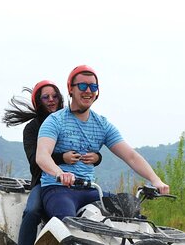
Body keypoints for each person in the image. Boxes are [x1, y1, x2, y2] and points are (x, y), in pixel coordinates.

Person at [0, 80, 102, 245]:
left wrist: (98, 157)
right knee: (32, 211)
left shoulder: (70, 120)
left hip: (79, 184)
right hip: (45, 182)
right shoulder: (33, 128)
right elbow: (35, 160)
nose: (51, 100)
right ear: (38, 101)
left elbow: (85, 146)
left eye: (54, 96)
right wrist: (61, 158)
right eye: (45, 97)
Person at [36, 65, 169, 221]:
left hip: (90, 190)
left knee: (130, 211)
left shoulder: (102, 125)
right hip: (58, 189)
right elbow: (42, 155)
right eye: (82, 86)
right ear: (70, 89)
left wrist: (155, 180)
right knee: (68, 222)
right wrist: (60, 173)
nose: (88, 91)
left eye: (93, 86)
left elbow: (131, 156)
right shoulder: (55, 120)